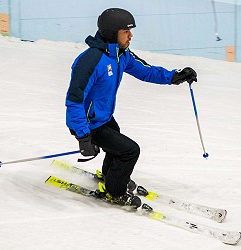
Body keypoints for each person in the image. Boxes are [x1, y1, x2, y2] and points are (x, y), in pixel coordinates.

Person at [65, 8, 197, 207]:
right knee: (129, 151)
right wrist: (83, 136)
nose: (131, 35)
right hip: (88, 123)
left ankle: (111, 177)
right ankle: (115, 192)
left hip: (104, 116)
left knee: (116, 143)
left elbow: (146, 71)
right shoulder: (90, 61)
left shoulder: (120, 54)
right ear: (111, 33)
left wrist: (174, 76)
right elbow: (74, 100)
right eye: (126, 31)